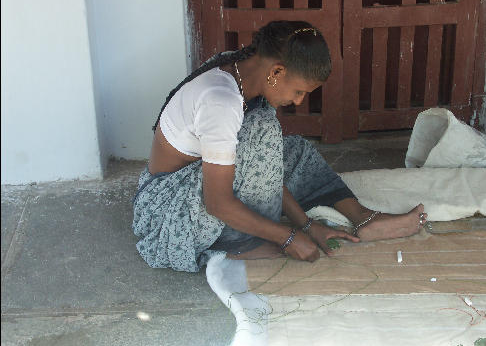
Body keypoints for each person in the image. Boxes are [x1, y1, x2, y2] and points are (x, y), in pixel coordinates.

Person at [132, 20, 427, 272]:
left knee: (292, 150)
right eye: (299, 91)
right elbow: (217, 202)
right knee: (264, 133)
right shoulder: (220, 102)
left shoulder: (242, 69)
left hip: (194, 183)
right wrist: (286, 236)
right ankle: (239, 242)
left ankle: (363, 217)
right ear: (275, 72)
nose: (299, 101)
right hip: (169, 215)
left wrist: (306, 226)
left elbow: (267, 164)